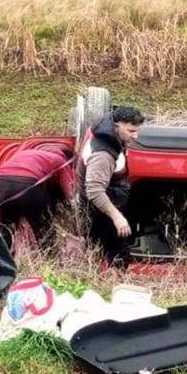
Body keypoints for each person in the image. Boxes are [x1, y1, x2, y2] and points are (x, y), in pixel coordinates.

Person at [77, 106, 145, 267]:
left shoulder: (108, 132)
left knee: (106, 253)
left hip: (109, 203)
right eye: (131, 131)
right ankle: (116, 285)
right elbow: (94, 191)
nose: (136, 136)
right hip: (99, 211)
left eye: (137, 130)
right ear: (116, 126)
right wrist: (117, 217)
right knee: (120, 257)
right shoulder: (103, 155)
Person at [0, 144, 75, 248]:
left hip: (2, 183)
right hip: (28, 185)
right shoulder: (61, 160)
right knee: (45, 232)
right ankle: (48, 260)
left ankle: (2, 258)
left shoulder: (28, 154)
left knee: (6, 230)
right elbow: (71, 193)